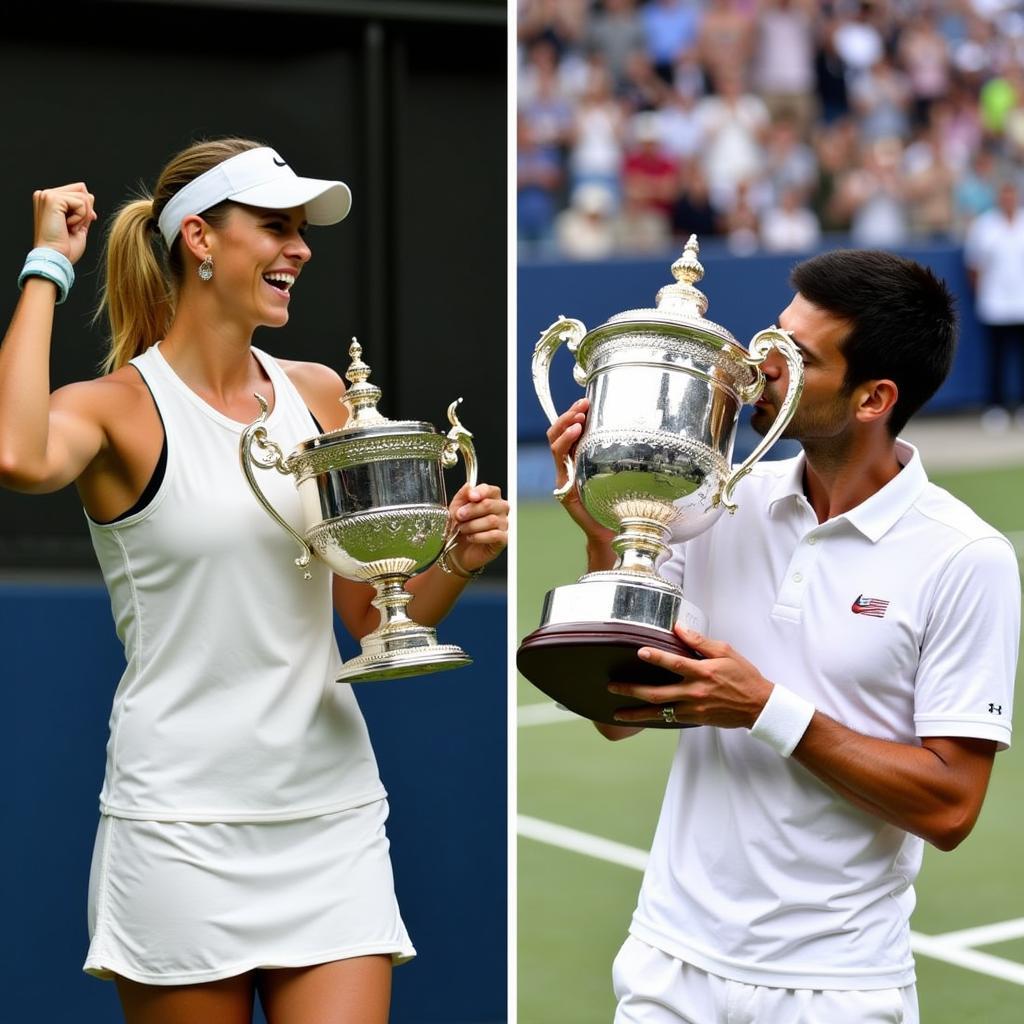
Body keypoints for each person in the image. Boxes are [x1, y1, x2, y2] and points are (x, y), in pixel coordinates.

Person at [0, 138, 508, 1023]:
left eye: (302, 230)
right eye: (276, 227)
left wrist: (457, 559)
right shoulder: (115, 407)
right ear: (200, 239)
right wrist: (47, 265)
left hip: (331, 816)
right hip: (178, 833)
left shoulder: (320, 395)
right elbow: (15, 453)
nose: (301, 248)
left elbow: (367, 612)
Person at [545, 249, 1019, 1024]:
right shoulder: (712, 502)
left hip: (839, 987)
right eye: (773, 335)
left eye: (795, 356)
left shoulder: (967, 560)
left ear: (872, 399)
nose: (758, 364)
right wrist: (608, 540)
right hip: (671, 964)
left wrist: (765, 709)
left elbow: (950, 808)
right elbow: (616, 712)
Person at [964, 179, 1024, 431]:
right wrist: (983, 294)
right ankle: (995, 407)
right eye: (1004, 194)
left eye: (1012, 194)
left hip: (1021, 304)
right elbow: (974, 266)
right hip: (995, 304)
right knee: (995, 359)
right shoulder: (984, 226)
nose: (1008, 199)